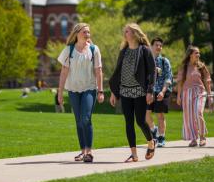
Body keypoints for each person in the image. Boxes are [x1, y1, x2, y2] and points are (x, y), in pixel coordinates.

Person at [109, 23, 156, 162]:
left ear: (135, 33)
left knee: (140, 121)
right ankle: (134, 154)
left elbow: (152, 72)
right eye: (125, 32)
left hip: (140, 92)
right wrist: (114, 92)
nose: (125, 34)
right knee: (128, 123)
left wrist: (150, 91)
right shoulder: (123, 51)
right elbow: (117, 73)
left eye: (127, 31)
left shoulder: (145, 50)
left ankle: (151, 142)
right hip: (125, 91)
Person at [57, 23, 104, 163]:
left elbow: (98, 71)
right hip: (73, 89)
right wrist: (60, 92)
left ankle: (89, 152)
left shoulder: (94, 50)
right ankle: (82, 151)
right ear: (77, 33)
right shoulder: (68, 50)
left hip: (89, 88)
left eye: (89, 32)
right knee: (78, 121)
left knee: (86, 118)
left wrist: (100, 90)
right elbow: (64, 72)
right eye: (84, 32)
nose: (87, 34)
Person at [176, 46, 212, 147]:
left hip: (200, 92)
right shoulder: (184, 67)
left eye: (199, 53)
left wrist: (210, 95)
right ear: (190, 54)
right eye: (196, 53)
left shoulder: (201, 66)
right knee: (189, 117)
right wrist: (179, 96)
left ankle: (202, 137)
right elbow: (180, 82)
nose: (198, 55)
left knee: (198, 112)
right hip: (187, 93)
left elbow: (207, 80)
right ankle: (193, 139)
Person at [146, 37, 173, 148]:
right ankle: (154, 130)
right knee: (145, 115)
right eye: (156, 45)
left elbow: (168, 78)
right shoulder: (146, 60)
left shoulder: (164, 61)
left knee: (160, 115)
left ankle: (161, 137)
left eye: (160, 46)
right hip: (149, 92)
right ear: (151, 46)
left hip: (162, 91)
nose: (159, 47)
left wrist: (162, 92)